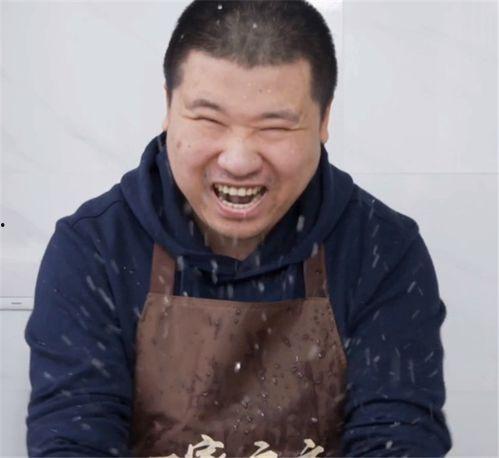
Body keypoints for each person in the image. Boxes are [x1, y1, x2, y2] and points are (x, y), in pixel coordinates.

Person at [24, 0, 452, 456]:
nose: (239, 160)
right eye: (210, 120)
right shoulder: (94, 248)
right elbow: (73, 440)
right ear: (168, 107)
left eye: (275, 127)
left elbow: (398, 440)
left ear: (324, 120)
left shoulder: (381, 249)